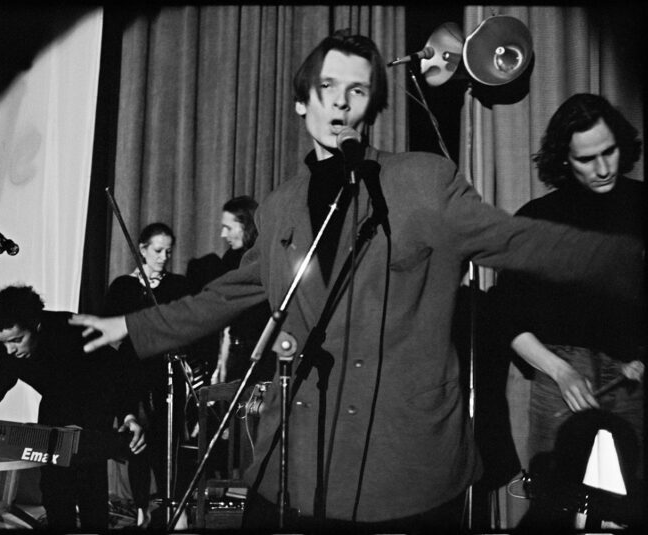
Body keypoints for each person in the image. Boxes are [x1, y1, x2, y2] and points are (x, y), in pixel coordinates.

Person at [70, 30, 643, 531]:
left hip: (407, 465)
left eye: (359, 90)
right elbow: (229, 293)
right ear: (302, 103)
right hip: (295, 463)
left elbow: (515, 240)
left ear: (372, 107)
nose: (341, 102)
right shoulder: (278, 208)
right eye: (327, 87)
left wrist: (623, 260)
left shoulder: (423, 181)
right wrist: (131, 324)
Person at [495, 94, 644, 516]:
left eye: (609, 152)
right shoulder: (537, 219)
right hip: (560, 376)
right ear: (564, 160)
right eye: (587, 159)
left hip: (632, 379)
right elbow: (506, 318)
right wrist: (561, 372)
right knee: (555, 508)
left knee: (628, 507)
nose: (602, 169)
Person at [0, 284, 147, 530]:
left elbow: (115, 375)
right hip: (56, 402)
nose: (10, 349)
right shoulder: (7, 345)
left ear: (36, 325)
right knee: (53, 487)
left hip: (96, 400)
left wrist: (128, 416)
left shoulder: (71, 330)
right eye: (3, 342)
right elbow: (0, 377)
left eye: (17, 340)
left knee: (89, 483)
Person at [102, 222, 195, 517]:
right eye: (157, 250)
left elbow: (188, 327)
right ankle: (141, 507)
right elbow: (109, 330)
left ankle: (173, 507)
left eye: (168, 251)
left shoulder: (177, 285)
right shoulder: (123, 287)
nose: (163, 257)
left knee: (169, 441)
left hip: (167, 370)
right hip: (133, 369)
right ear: (142, 249)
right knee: (138, 439)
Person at [187, 195, 274, 384]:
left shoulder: (268, 258)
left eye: (228, 228)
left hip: (265, 355)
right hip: (236, 354)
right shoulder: (230, 259)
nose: (223, 235)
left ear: (247, 226)